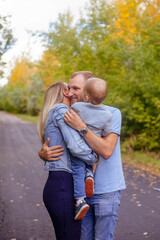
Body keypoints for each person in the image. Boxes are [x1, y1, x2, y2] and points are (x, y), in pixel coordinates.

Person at [39, 71, 126, 240]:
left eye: (75, 88)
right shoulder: (72, 112)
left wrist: (81, 127)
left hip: (106, 191)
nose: (70, 92)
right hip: (80, 193)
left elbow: (107, 150)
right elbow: (62, 143)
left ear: (87, 90)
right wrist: (42, 153)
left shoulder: (112, 113)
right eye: (69, 88)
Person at [37, 81, 97, 240]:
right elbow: (75, 147)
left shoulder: (57, 112)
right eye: (69, 88)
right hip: (63, 185)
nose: (72, 92)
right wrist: (94, 157)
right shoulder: (61, 110)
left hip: (60, 184)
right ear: (64, 92)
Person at [71, 77, 113, 201]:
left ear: (87, 96)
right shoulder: (107, 115)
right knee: (91, 160)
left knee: (77, 167)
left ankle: (80, 198)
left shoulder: (78, 106)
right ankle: (89, 174)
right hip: (93, 147)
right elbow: (107, 132)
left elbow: (69, 116)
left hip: (79, 143)